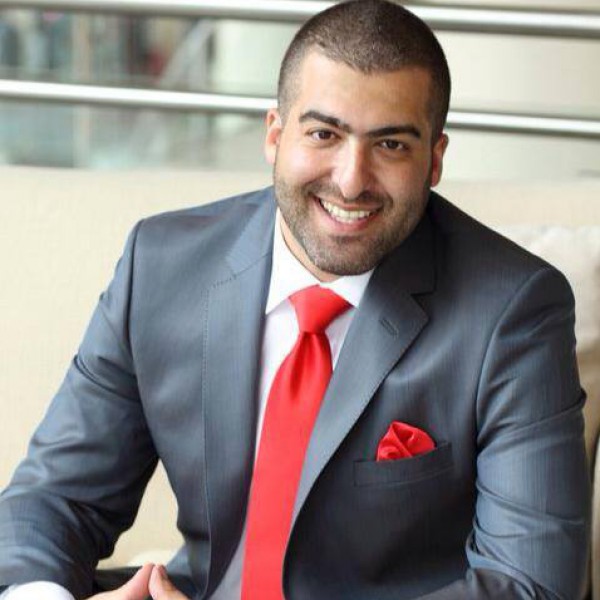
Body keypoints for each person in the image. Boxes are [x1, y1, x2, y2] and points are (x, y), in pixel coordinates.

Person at [0, 1, 591, 599]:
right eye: (324, 134)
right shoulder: (161, 265)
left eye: (390, 144)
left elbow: (529, 583)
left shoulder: (514, 311)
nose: (351, 180)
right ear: (275, 135)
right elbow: (57, 498)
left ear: (434, 160)